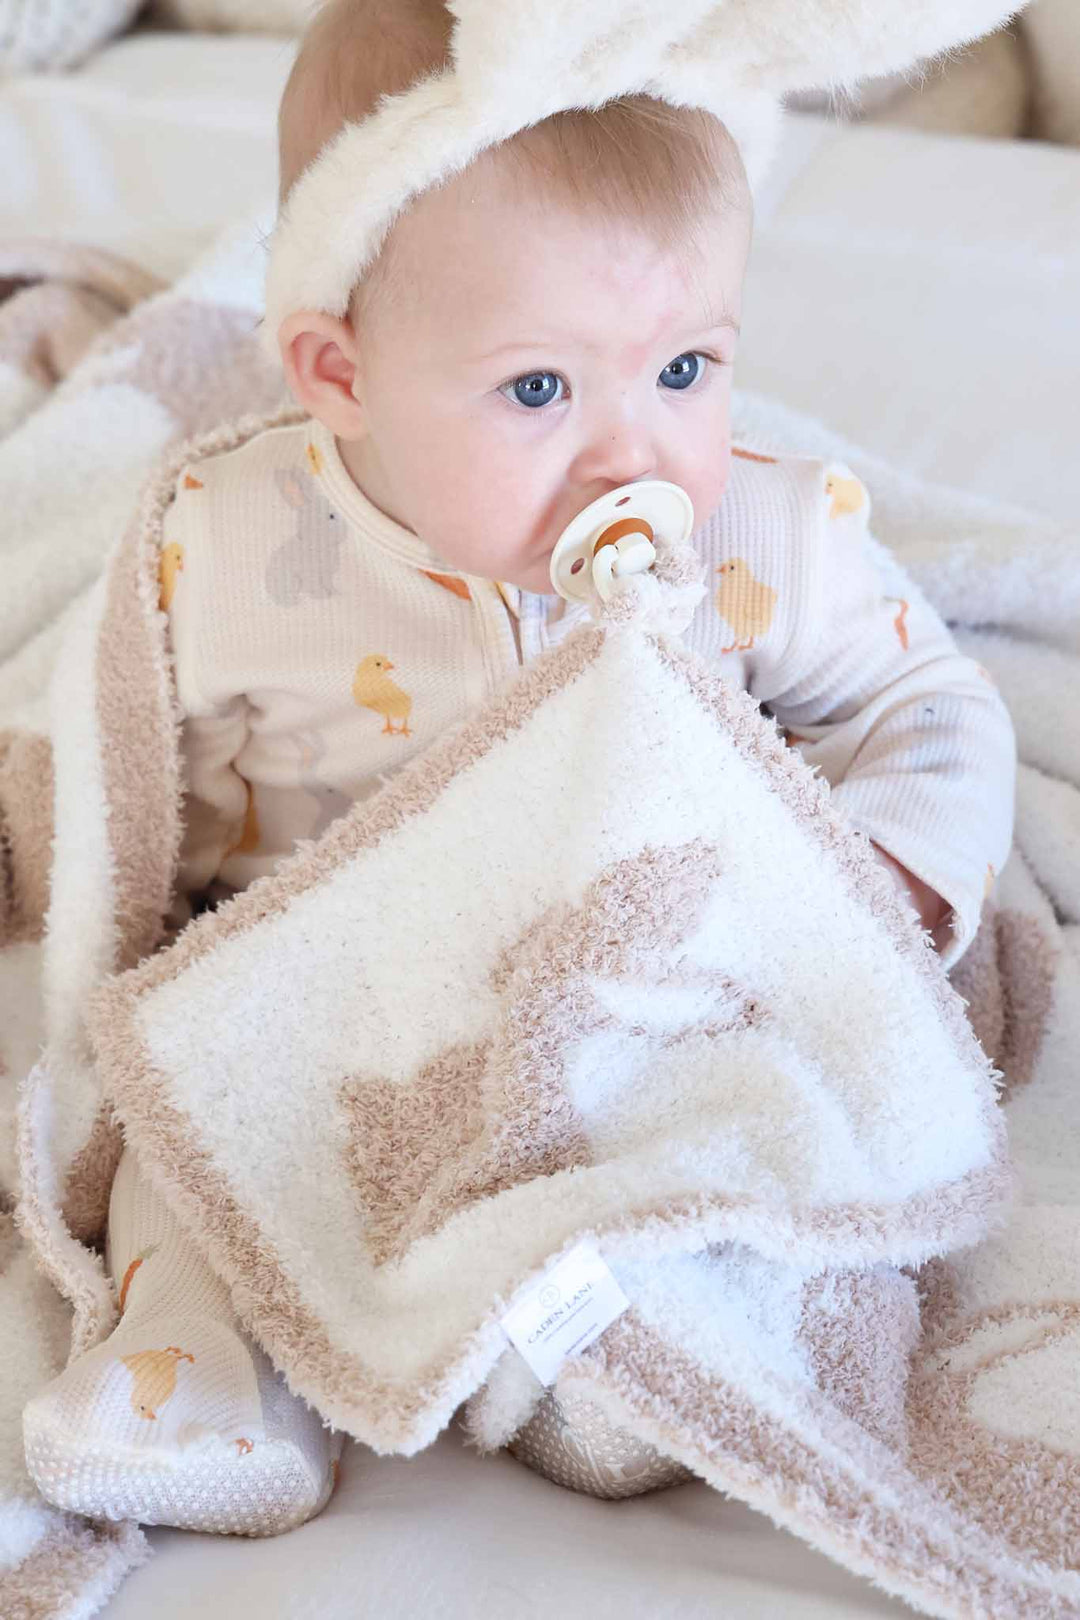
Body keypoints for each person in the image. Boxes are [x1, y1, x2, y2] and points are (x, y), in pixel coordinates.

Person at [23, 0, 1015, 1535]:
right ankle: (193, 1360)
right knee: (192, 1101)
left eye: (687, 366)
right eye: (542, 391)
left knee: (724, 1129)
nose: (639, 454)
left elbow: (929, 707)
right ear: (339, 378)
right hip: (330, 992)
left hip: (623, 983)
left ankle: (635, 1339)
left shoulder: (761, 543)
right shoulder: (226, 556)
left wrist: (882, 876)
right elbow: (115, 779)